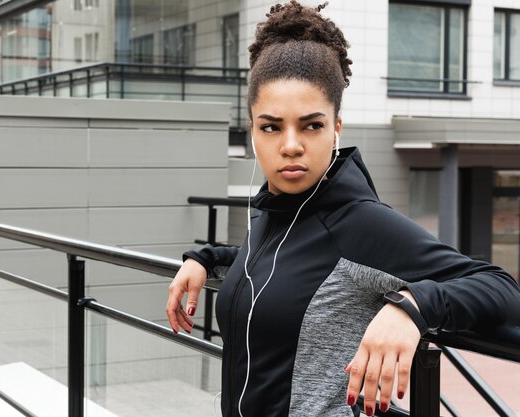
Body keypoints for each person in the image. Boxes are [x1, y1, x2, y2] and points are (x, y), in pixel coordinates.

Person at [165, 2, 520, 416]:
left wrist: (412, 306)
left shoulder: (359, 224)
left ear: (336, 127)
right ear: (252, 131)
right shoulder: (273, 213)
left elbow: (500, 287)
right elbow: (275, 266)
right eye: (272, 126)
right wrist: (206, 259)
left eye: (311, 125)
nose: (291, 144)